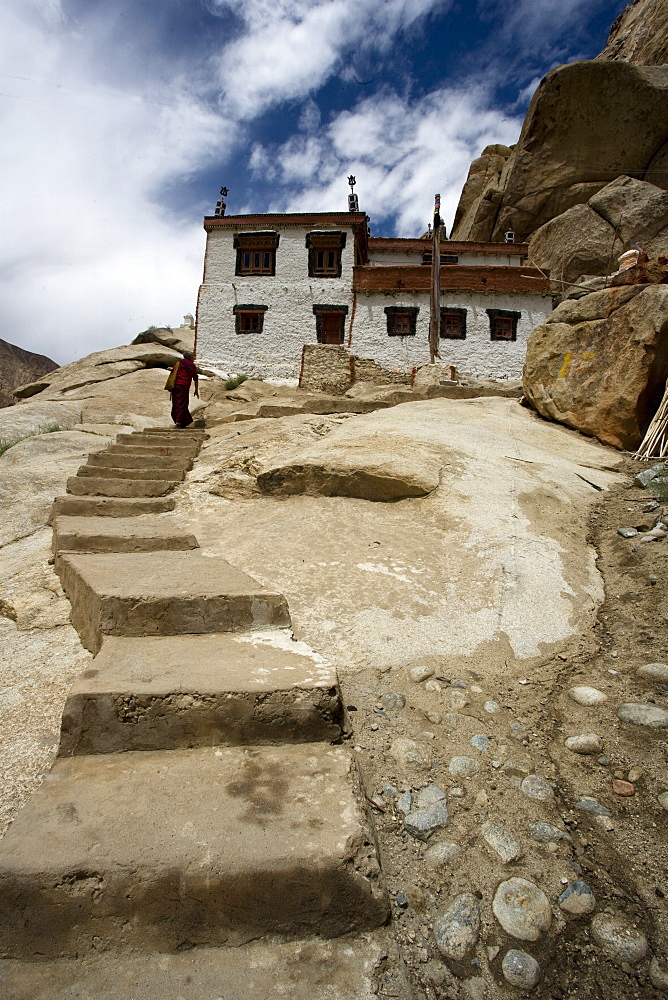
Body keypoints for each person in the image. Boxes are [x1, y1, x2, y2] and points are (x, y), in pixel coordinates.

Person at [170, 351, 199, 428]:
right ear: (189, 357)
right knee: (182, 404)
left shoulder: (178, 363)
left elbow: (173, 374)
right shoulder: (191, 365)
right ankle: (179, 422)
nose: (194, 357)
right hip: (183, 386)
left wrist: (171, 388)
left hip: (176, 386)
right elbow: (195, 378)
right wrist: (196, 389)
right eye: (193, 356)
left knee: (176, 403)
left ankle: (183, 422)